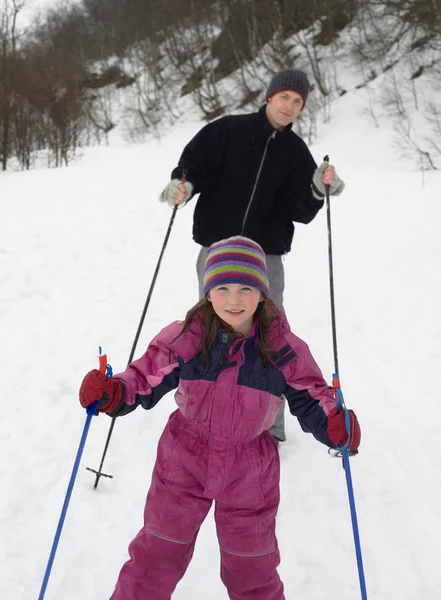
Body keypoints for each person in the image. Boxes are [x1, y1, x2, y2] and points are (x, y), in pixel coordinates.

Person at [79, 236, 361, 600]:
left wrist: (334, 423)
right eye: (223, 288)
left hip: (250, 471)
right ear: (207, 291)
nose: (233, 299)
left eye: (246, 289)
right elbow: (144, 376)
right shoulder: (186, 338)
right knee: (157, 554)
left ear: (262, 293)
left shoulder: (280, 347)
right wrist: (114, 392)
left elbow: (312, 394)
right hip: (184, 459)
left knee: (252, 568)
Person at [159, 68, 345, 444]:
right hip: (218, 251)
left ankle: (267, 427)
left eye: (297, 102)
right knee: (210, 330)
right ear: (269, 96)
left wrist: (317, 188)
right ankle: (203, 412)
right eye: (284, 98)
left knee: (268, 335)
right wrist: (183, 183)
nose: (289, 106)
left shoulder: (296, 153)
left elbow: (301, 209)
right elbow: (196, 162)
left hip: (265, 258)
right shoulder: (229, 130)